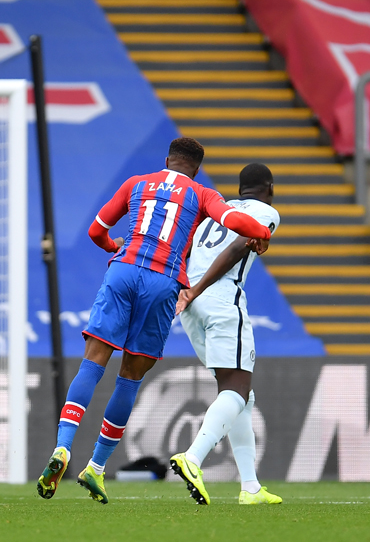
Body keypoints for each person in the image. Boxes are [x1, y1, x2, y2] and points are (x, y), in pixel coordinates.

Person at [36, 136, 272, 505]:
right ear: (196, 169)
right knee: (129, 378)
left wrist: (114, 246)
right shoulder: (201, 193)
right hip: (164, 282)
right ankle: (96, 467)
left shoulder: (136, 184)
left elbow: (96, 231)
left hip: (124, 270)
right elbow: (236, 222)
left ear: (167, 161)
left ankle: (62, 447)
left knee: (93, 362)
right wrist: (262, 234)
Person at [171, 163, 283, 505]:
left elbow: (185, 249)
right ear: (270, 188)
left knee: (240, 396)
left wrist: (188, 291)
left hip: (191, 305)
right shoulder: (266, 212)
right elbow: (237, 248)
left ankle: (250, 487)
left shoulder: (217, 211)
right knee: (236, 390)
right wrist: (200, 289)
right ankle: (192, 458)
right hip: (218, 297)